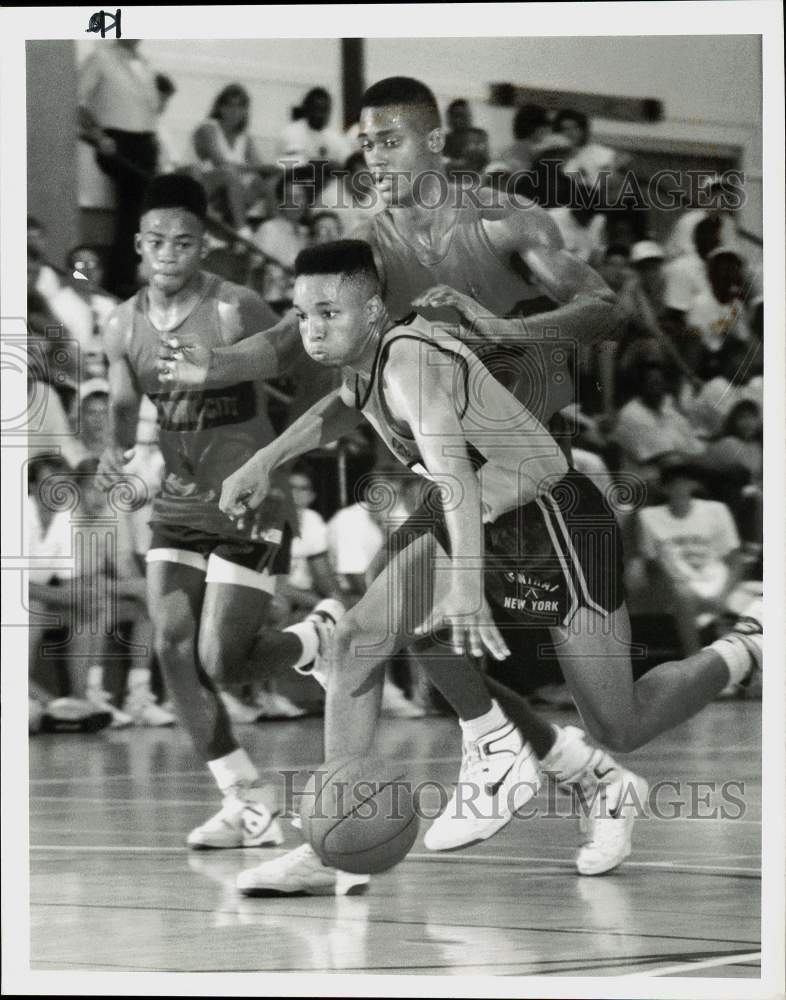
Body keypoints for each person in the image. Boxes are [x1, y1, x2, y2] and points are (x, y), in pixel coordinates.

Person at [154, 77, 648, 874]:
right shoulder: (372, 247)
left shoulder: (501, 219)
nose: (371, 156)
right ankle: (337, 836)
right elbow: (304, 346)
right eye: (364, 142)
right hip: (461, 481)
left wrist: (504, 329)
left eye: (388, 140)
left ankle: (595, 756)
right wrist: (223, 369)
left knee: (604, 708)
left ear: (436, 144)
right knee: (369, 641)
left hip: (536, 478)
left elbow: (603, 309)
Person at [218, 243, 762, 896]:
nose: (312, 328)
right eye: (302, 314)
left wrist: (468, 589)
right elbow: (338, 408)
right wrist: (263, 461)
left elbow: (452, 476)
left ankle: (748, 645)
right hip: (474, 506)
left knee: (618, 724)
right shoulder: (362, 361)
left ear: (373, 310)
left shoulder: (408, 363)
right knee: (360, 643)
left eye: (328, 312)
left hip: (551, 518)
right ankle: (332, 840)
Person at [96, 173, 345, 848]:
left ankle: (315, 638)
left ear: (203, 244)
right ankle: (244, 797)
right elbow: (122, 403)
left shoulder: (236, 308)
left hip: (248, 499)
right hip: (178, 502)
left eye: (182, 241)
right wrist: (111, 450)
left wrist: (282, 450)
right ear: (141, 244)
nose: (168, 253)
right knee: (175, 647)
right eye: (155, 241)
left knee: (223, 660)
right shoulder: (121, 322)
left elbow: (312, 371)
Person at [78, 39, 160, 297]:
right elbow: (77, 102)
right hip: (117, 141)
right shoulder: (101, 57)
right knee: (133, 208)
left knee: (139, 209)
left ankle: (126, 276)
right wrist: (98, 135)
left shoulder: (143, 63)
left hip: (145, 143)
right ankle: (120, 280)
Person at [192, 84, 269, 237]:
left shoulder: (245, 138)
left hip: (228, 193)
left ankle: (273, 230)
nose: (234, 111)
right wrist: (249, 169)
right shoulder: (208, 128)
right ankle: (242, 230)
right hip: (200, 187)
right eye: (229, 105)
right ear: (220, 107)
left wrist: (270, 171)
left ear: (245, 111)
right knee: (229, 174)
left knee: (263, 182)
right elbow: (219, 162)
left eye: (240, 107)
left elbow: (260, 168)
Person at [279, 87, 349, 173]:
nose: (321, 115)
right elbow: (293, 165)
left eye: (325, 110)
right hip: (296, 181)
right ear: (307, 110)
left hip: (328, 183)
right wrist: (325, 165)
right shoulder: (292, 133)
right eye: (317, 109)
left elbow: (347, 162)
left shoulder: (335, 137)